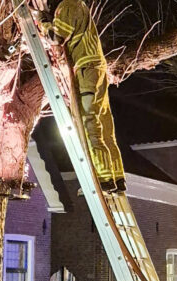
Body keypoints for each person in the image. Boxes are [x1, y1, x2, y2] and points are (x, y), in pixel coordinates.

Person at [39, 0, 125, 192]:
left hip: (86, 69)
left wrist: (42, 22)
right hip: (96, 68)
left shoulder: (68, 6)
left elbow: (56, 37)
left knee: (88, 122)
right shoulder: (79, 4)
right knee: (104, 124)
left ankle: (103, 178)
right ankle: (116, 176)